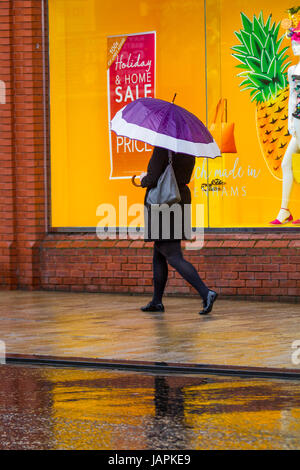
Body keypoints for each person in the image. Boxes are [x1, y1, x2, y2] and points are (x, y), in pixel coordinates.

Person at [139, 146, 218, 315]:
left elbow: (152, 178)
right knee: (159, 253)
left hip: (164, 204)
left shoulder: (162, 147)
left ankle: (206, 292)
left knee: (173, 255)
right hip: (180, 199)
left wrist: (142, 179)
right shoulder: (188, 148)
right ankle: (156, 301)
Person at [270, 39, 300, 225]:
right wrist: (290, 122)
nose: (295, 47)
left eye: (298, 42)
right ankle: (284, 210)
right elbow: (292, 97)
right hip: (297, 122)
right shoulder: (291, 70)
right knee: (286, 164)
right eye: (293, 43)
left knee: (289, 164)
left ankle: (284, 211)